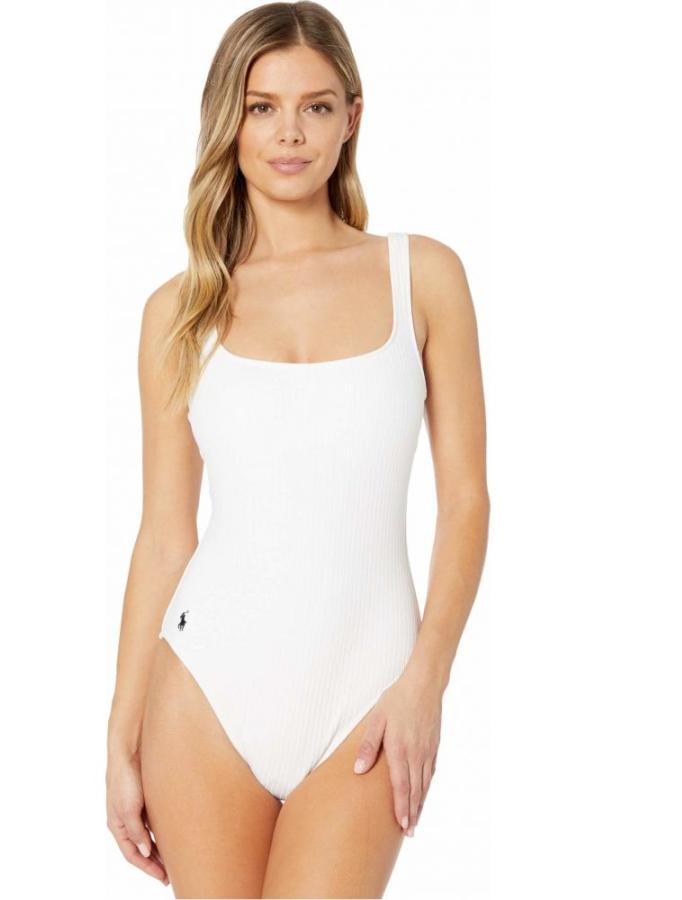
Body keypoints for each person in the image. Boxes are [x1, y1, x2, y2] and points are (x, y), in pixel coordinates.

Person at [106, 2, 489, 896]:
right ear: (228, 121)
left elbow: (466, 500)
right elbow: (164, 535)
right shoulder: (178, 312)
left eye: (315, 106)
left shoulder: (423, 276)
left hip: (370, 692)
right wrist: (120, 736)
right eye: (262, 107)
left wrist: (426, 683)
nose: (290, 133)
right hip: (204, 690)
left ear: (352, 117)